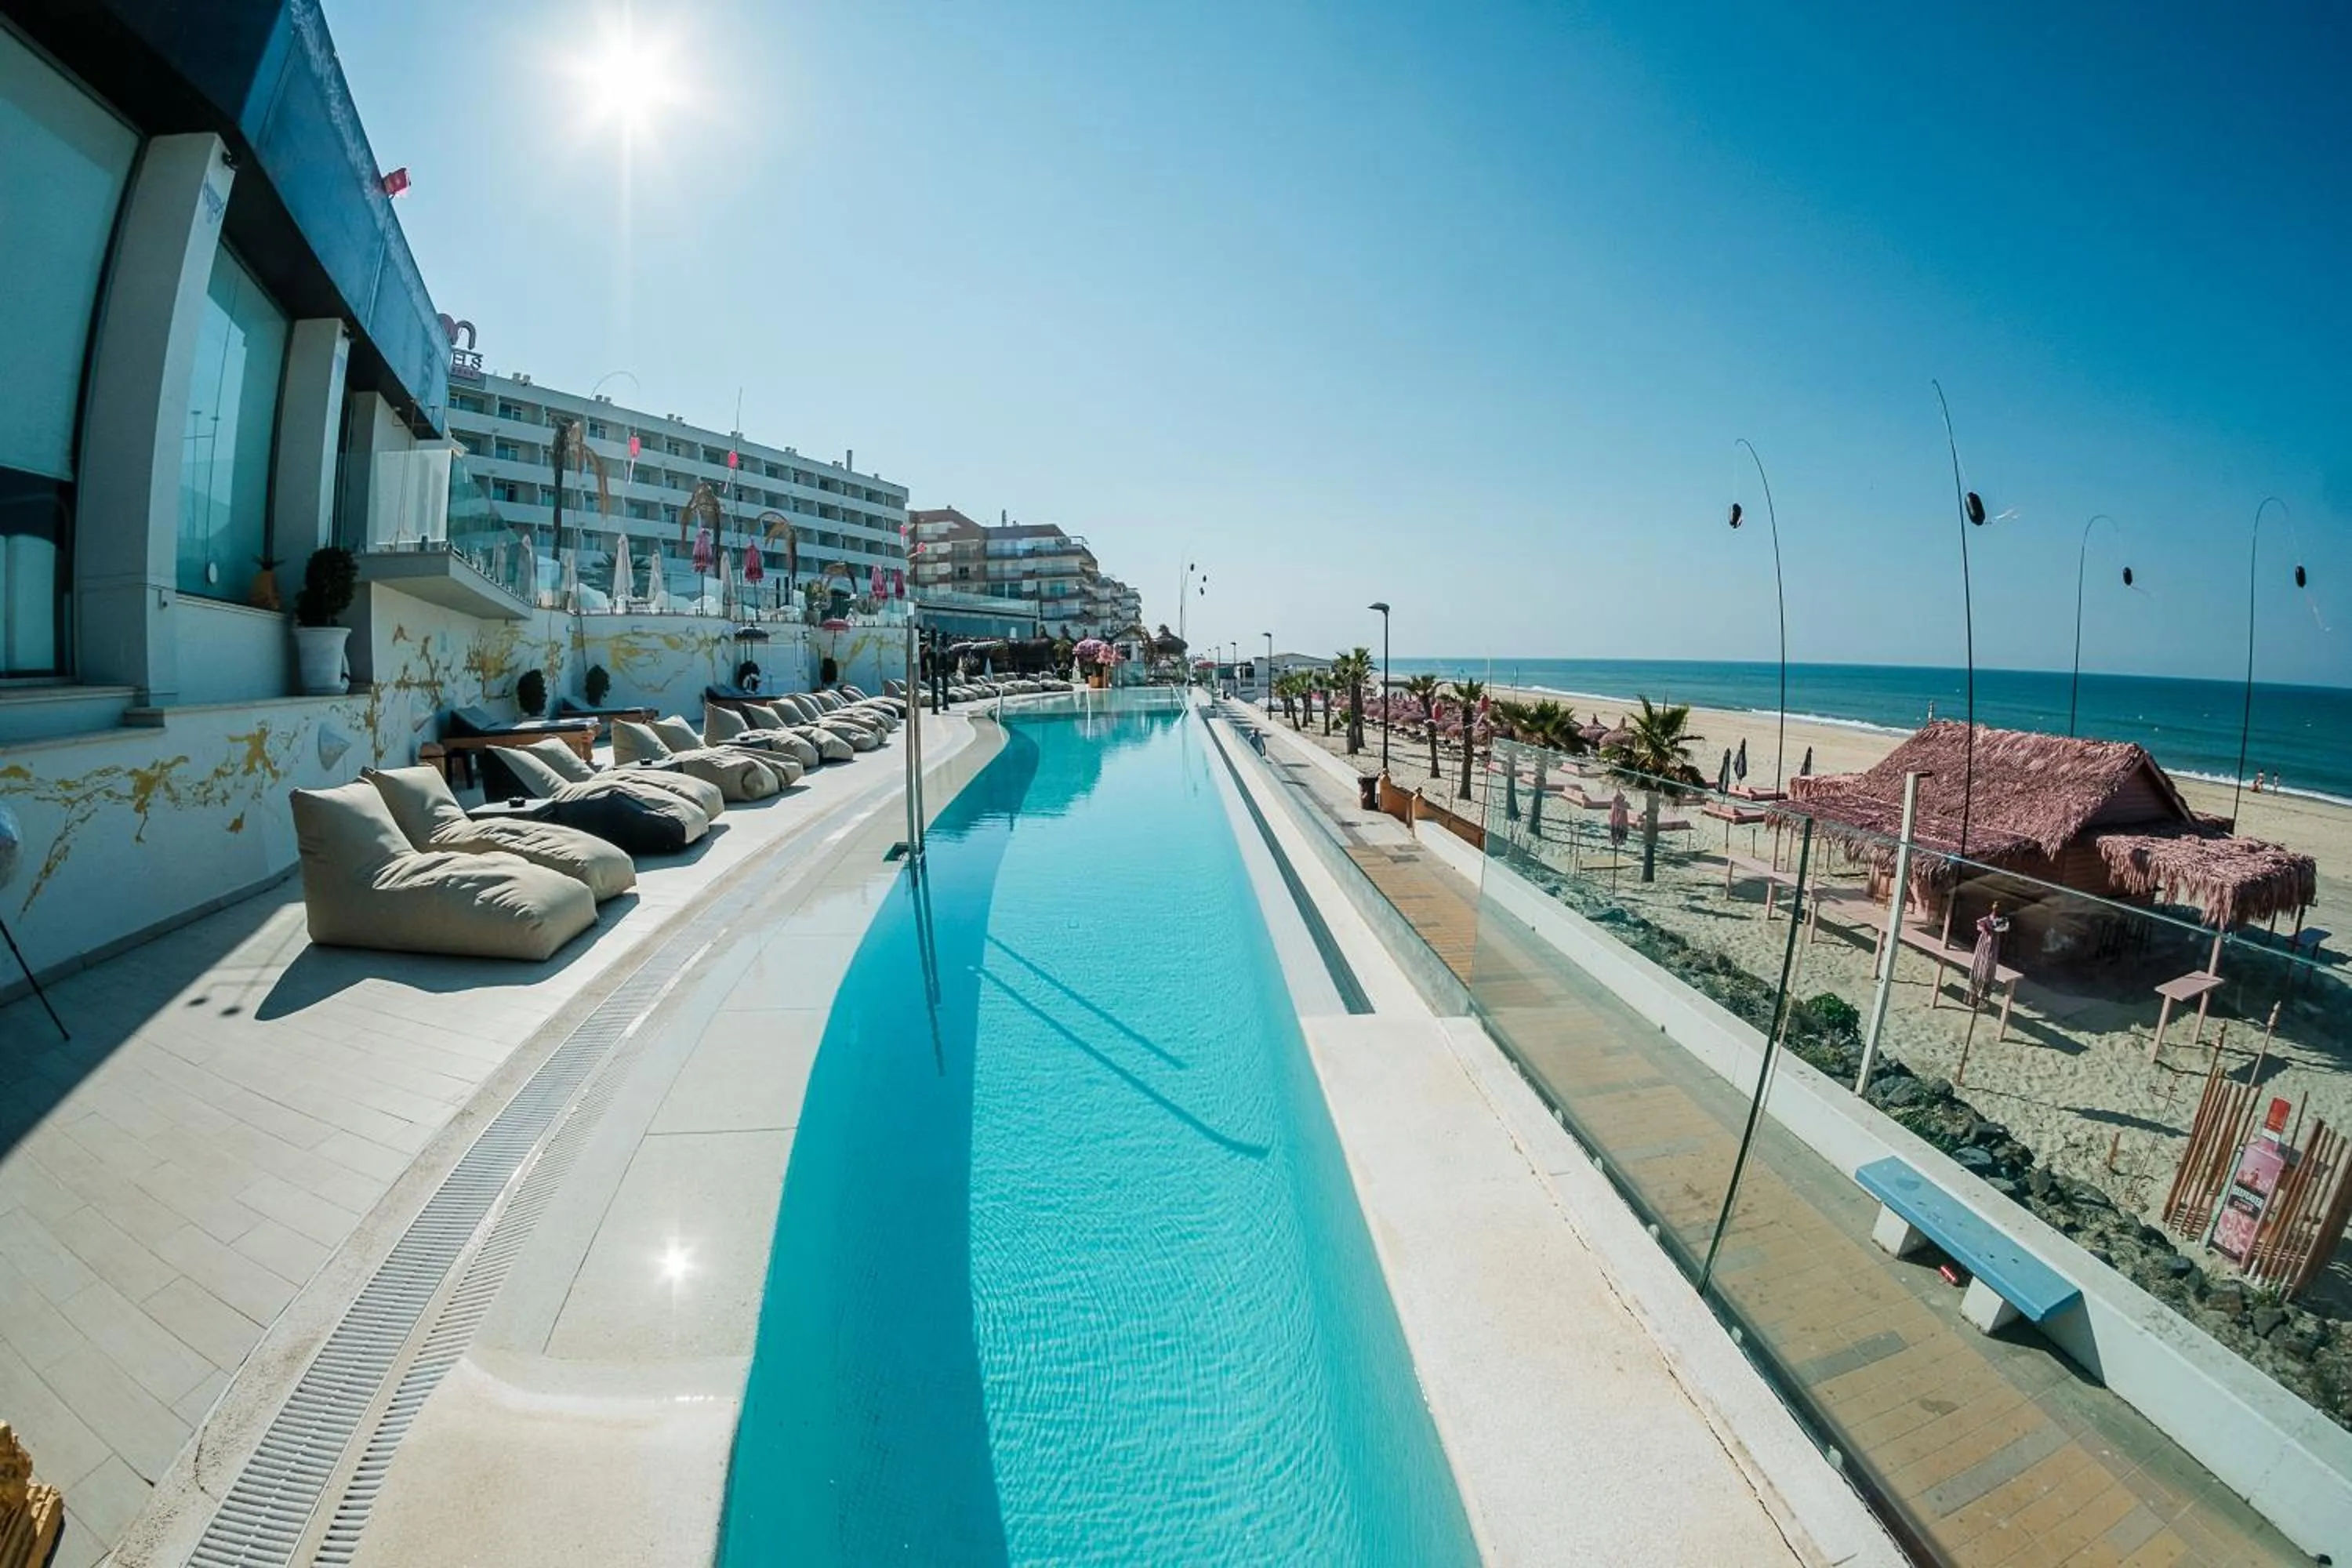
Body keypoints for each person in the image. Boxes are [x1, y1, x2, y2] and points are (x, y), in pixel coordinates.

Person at [1969, 902, 2010, 1009]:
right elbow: (1980, 925)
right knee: (1979, 966)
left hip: (1992, 945)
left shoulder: (2001, 921)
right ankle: (1973, 996)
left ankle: (1982, 998)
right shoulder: (1987, 919)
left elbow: (2004, 928)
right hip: (1984, 944)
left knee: (1988, 970)